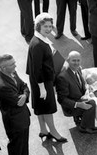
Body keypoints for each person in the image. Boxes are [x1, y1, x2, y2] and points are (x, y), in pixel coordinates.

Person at [26, 13, 67, 143]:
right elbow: (36, 68)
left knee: (40, 106)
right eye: (46, 27)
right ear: (38, 26)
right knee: (47, 107)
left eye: (50, 26)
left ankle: (43, 130)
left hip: (38, 80)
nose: (49, 29)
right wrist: (42, 87)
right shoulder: (38, 44)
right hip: (42, 81)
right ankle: (54, 132)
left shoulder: (38, 39)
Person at [0, 54, 36, 155]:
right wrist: (23, 95)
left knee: (24, 140)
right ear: (3, 68)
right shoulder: (2, 86)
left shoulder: (12, 72)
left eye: (14, 62)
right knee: (16, 145)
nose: (15, 65)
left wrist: (24, 95)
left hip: (22, 116)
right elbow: (17, 102)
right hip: (14, 120)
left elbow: (24, 86)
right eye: (12, 64)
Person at [56, 51, 97, 134]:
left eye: (78, 60)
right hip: (71, 106)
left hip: (79, 97)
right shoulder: (62, 77)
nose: (76, 63)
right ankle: (85, 127)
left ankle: (79, 119)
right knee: (92, 103)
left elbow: (81, 83)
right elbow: (61, 99)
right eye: (73, 60)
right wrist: (79, 104)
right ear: (68, 60)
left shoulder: (78, 69)